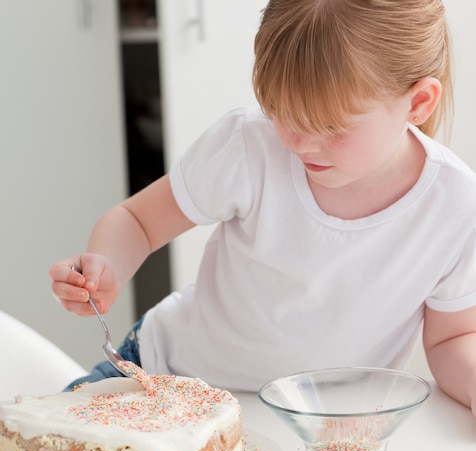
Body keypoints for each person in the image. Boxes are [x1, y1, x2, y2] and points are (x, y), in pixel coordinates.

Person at [50, 0, 476, 417]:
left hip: (319, 424)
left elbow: (450, 339)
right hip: (166, 379)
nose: (302, 144)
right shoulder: (249, 146)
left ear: (418, 103)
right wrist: (107, 265)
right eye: (282, 114)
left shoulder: (454, 205)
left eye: (331, 127)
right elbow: (138, 221)